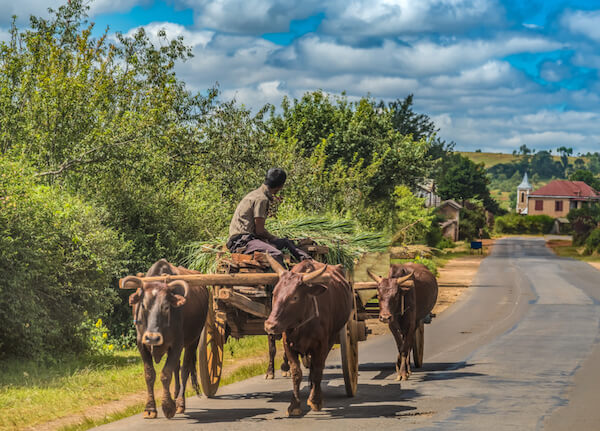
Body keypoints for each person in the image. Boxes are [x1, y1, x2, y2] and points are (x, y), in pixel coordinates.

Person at [226, 168, 311, 265]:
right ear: (280, 186)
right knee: (276, 253)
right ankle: (282, 279)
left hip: (247, 238)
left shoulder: (255, 194)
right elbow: (260, 231)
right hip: (242, 241)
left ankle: (308, 262)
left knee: (285, 242)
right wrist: (273, 238)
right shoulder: (261, 199)